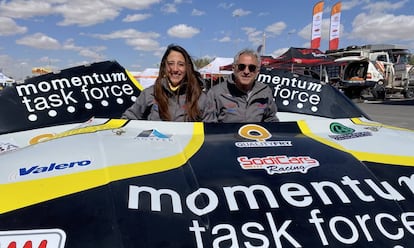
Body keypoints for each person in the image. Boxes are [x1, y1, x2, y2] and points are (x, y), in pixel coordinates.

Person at [122, 44, 207, 121]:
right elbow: (127, 119)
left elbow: (211, 131)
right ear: (164, 66)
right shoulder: (149, 93)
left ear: (187, 68)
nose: (175, 69)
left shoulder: (201, 98)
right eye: (170, 63)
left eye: (181, 64)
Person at [204, 48, 279, 123]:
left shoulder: (265, 92)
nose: (246, 71)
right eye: (241, 67)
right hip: (227, 135)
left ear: (257, 71)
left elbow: (271, 120)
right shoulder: (216, 93)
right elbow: (209, 126)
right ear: (234, 68)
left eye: (252, 68)